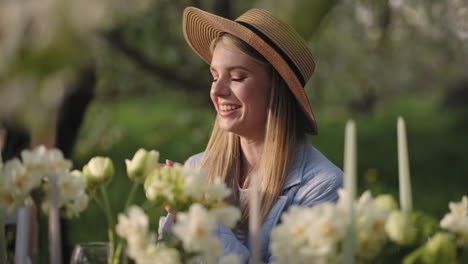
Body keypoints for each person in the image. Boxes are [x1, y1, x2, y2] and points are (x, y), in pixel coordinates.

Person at [162, 7, 344, 263]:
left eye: (237, 77)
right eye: (215, 76)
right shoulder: (197, 169)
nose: (217, 91)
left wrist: (202, 214)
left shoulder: (322, 187)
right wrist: (180, 212)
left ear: (276, 90)